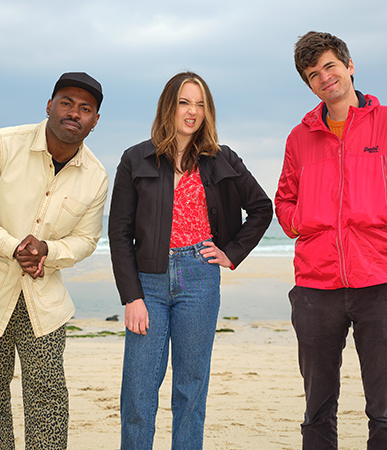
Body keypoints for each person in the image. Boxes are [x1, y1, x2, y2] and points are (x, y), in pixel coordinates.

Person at [275, 32, 387, 449]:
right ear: (309, 83)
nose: (324, 78)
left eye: (330, 66)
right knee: (316, 410)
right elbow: (284, 201)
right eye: (313, 74)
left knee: (384, 410)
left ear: (349, 66)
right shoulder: (300, 137)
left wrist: (385, 214)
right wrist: (303, 220)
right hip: (316, 287)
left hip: (382, 283)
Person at [0, 72, 108, 449]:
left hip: (43, 299)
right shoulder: (0, 143)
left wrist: (48, 251)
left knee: (49, 396)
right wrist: (12, 246)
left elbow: (86, 239)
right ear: (49, 106)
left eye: (86, 109)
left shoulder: (96, 177)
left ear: (95, 121)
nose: (74, 113)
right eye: (66, 102)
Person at [109, 71, 273, 449]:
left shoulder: (222, 158)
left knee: (191, 389)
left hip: (200, 278)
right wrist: (131, 296)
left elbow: (262, 209)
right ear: (170, 105)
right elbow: (119, 233)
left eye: (200, 104)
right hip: (148, 281)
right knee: (138, 391)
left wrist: (231, 253)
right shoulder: (135, 159)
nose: (192, 111)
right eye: (185, 102)